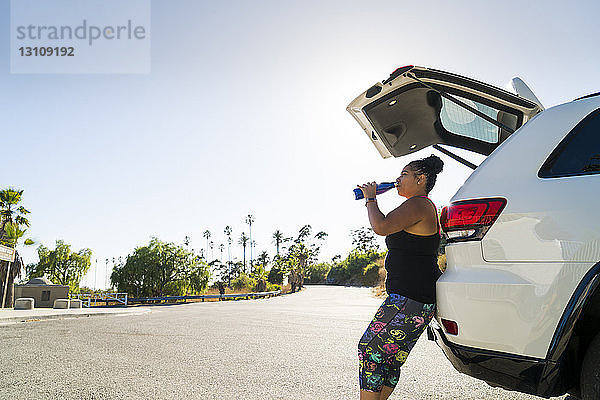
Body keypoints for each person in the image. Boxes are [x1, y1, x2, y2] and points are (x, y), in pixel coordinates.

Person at [356, 155, 444, 400]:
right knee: (391, 357)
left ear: (420, 179)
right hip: (416, 298)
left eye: (404, 174)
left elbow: (381, 226)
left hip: (409, 298)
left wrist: (371, 198)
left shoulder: (420, 204)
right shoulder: (419, 205)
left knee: (370, 348)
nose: (398, 179)